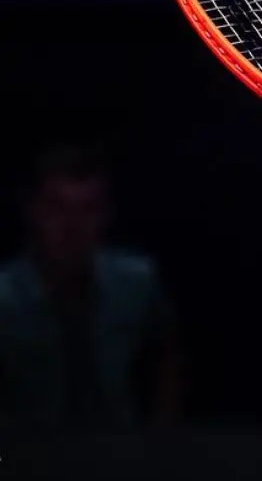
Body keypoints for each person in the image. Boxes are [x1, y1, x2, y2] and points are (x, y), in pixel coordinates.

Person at [0, 141, 183, 430]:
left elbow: (167, 349)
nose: (72, 225)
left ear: (105, 215)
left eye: (88, 209)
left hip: (118, 452)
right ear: (33, 212)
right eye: (57, 208)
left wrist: (160, 435)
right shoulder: (4, 295)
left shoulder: (136, 281)